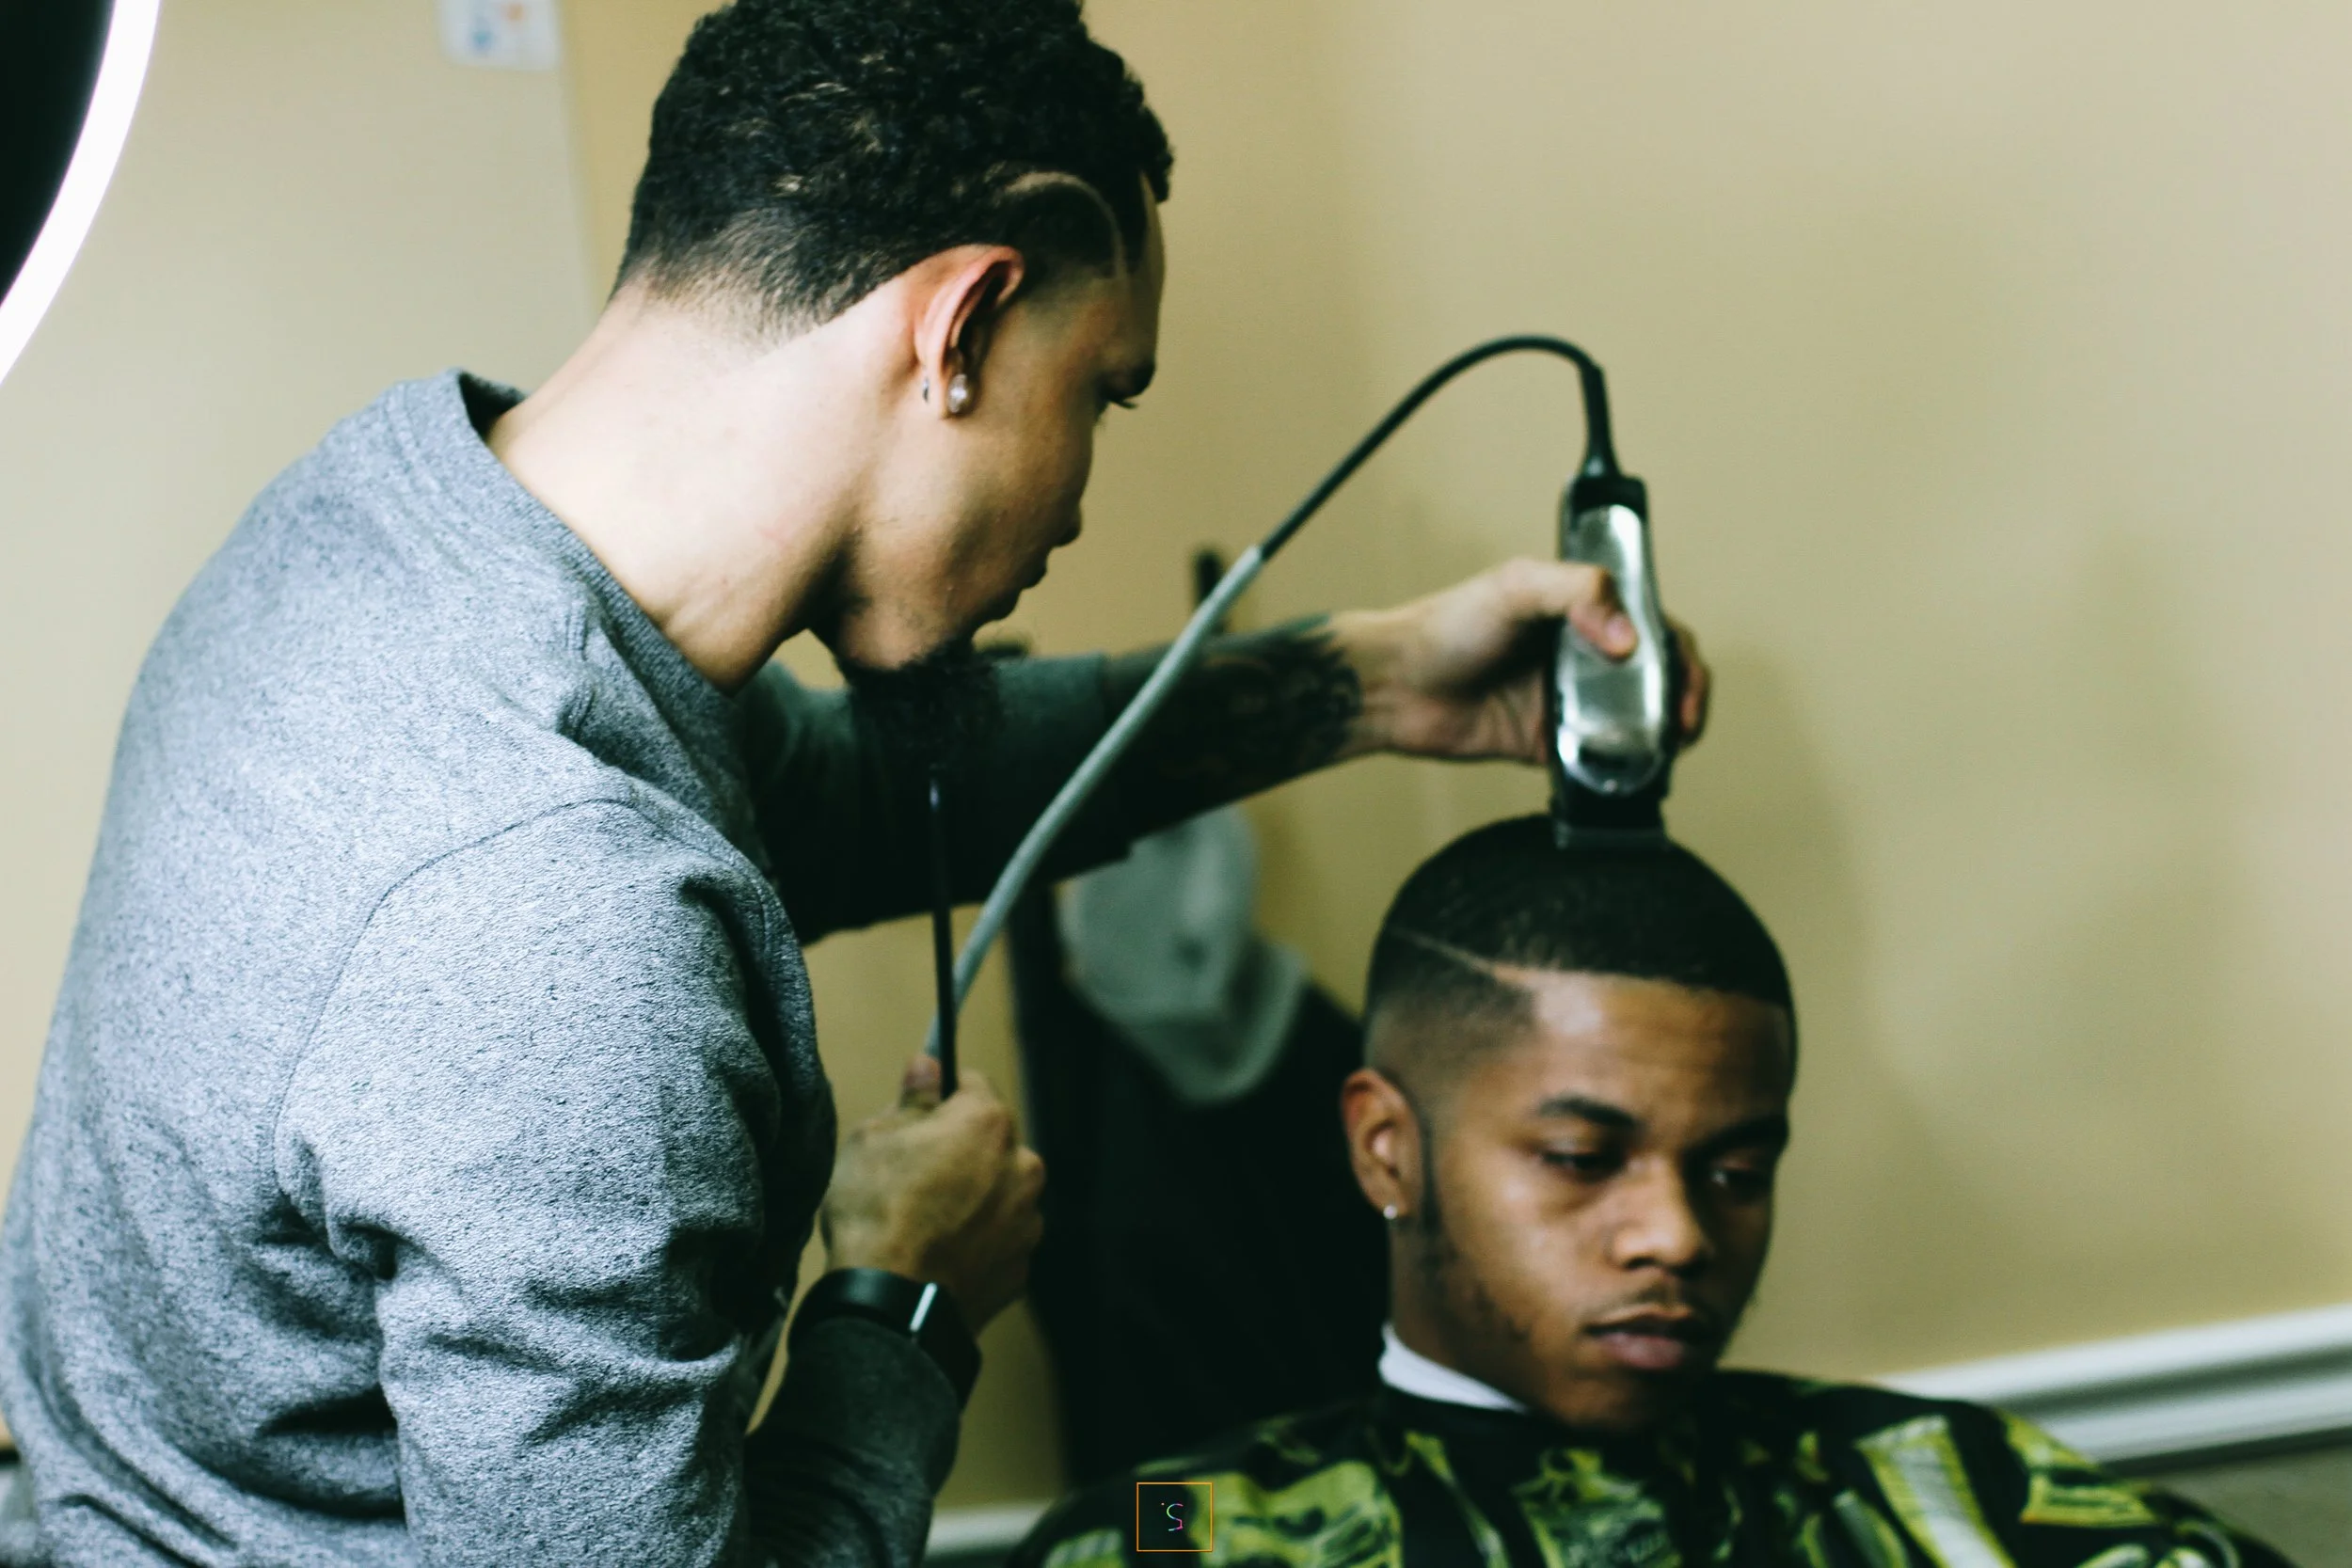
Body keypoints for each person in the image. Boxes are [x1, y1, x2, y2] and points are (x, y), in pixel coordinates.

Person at [0, 3, 1709, 1565]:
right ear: (961, 322)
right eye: (1098, 394)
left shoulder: (390, 527)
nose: (1084, 495)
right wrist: (901, 1312)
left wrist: (1369, 683)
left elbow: (841, 801)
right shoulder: (548, 928)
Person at [1013, 819, 2292, 1568]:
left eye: (1736, 1171)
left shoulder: (1943, 1480)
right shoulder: (1179, 1534)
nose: (1676, 1234)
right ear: (1387, 1148)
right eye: (1581, 1158)